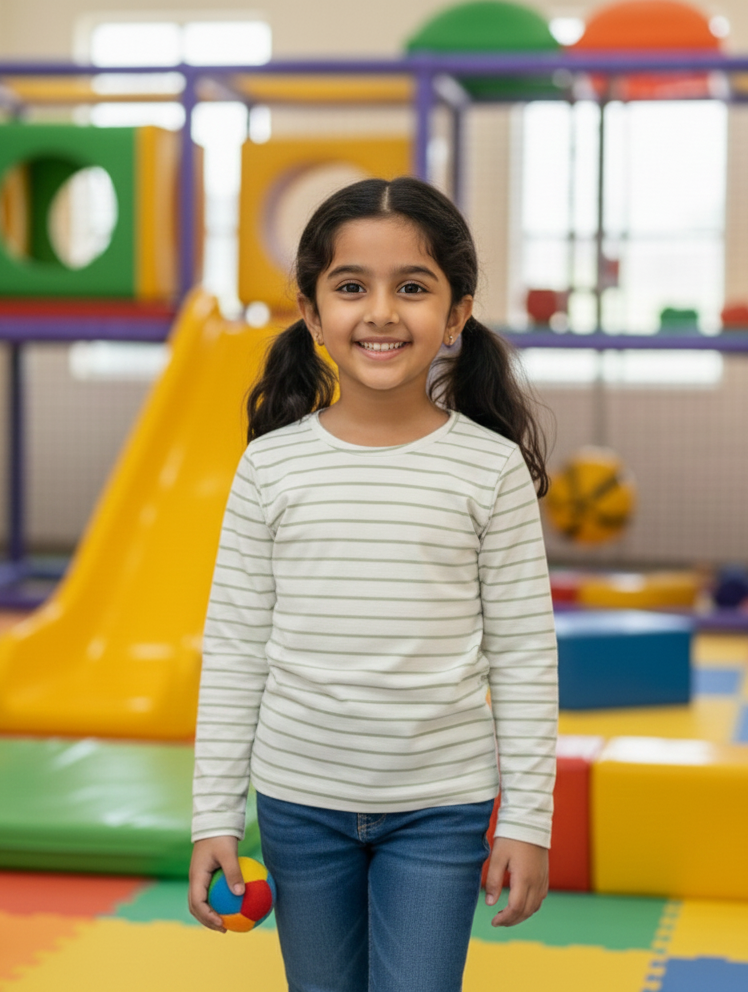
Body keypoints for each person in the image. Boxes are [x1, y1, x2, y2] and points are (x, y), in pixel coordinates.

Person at [188, 176, 558, 992]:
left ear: (457, 313)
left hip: (440, 806)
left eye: (414, 288)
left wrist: (528, 820)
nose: (382, 312)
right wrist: (214, 814)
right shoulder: (269, 465)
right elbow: (236, 646)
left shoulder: (489, 469)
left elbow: (526, 655)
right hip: (297, 802)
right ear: (314, 314)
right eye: (352, 287)